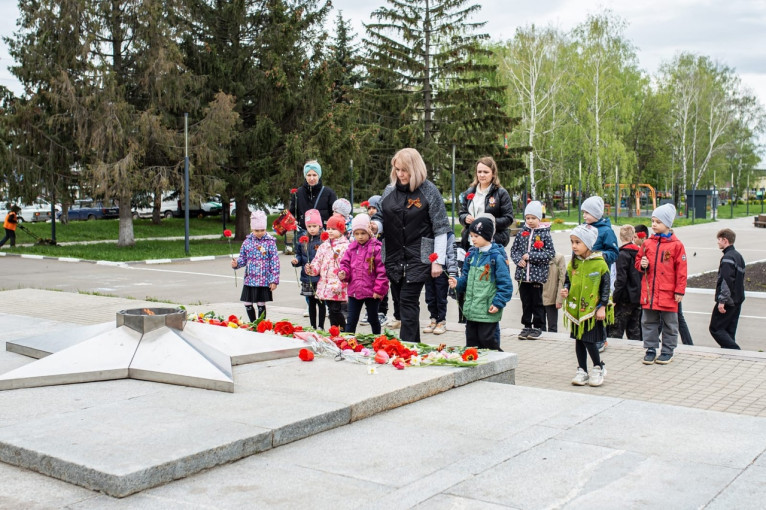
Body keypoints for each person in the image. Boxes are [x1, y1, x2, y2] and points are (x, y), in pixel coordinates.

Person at [372, 148, 452, 344]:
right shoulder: (389, 191)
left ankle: (405, 348)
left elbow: (441, 228)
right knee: (401, 303)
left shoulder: (429, 191)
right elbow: (381, 216)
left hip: (419, 256)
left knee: (408, 301)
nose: (400, 174)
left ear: (415, 169)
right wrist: (375, 225)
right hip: (393, 255)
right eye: (397, 169)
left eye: (405, 170)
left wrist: (438, 261)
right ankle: (412, 347)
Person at [448, 217, 512, 350]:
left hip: (487, 311)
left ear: (487, 236)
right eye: (471, 236)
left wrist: (498, 303)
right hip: (471, 311)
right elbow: (466, 278)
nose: (473, 239)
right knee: (471, 345)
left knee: (488, 343)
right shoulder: (471, 255)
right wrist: (457, 283)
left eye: (476, 236)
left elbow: (505, 285)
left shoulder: (496, 257)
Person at [561, 224, 613, 387]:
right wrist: (566, 290)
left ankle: (598, 367)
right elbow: (568, 279)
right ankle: (582, 370)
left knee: (589, 340)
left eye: (578, 242)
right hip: (576, 310)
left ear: (588, 244)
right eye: (572, 242)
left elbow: (605, 286)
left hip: (592, 311)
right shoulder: (574, 263)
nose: (574, 246)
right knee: (578, 340)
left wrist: (603, 306)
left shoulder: (599, 263)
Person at [636, 203, 687, 365]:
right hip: (650, 292)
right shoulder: (647, 244)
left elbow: (681, 270)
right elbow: (638, 261)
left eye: (658, 222)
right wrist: (642, 264)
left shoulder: (676, 246)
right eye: (652, 221)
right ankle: (650, 349)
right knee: (648, 322)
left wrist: (680, 291)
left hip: (668, 293)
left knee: (670, 323)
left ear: (667, 224)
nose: (654, 225)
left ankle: (667, 350)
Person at [509, 200, 555, 339]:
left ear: (539, 218)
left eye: (533, 218)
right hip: (523, 276)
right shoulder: (522, 233)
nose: (530, 221)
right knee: (526, 302)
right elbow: (514, 250)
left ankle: (539, 327)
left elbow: (549, 254)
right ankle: (527, 326)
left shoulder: (545, 234)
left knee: (537, 303)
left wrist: (531, 256)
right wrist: (519, 260)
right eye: (527, 218)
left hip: (537, 277)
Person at [338, 214, 388, 334]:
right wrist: (344, 273)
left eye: (363, 233)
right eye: (357, 234)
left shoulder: (376, 248)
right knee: (351, 319)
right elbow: (345, 264)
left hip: (371, 292)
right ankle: (348, 343)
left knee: (373, 318)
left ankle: (377, 339)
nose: (360, 237)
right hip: (354, 291)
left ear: (369, 232)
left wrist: (378, 290)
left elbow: (382, 272)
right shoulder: (351, 248)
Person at [581, 196, 619, 352]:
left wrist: (601, 255)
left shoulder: (607, 231)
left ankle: (601, 339)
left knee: (599, 307)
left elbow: (614, 253)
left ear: (596, 213)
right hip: (584, 276)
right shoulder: (583, 228)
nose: (584, 216)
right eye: (583, 213)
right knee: (585, 305)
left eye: (587, 213)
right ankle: (586, 335)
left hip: (600, 276)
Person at [231, 211, 280, 321]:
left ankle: (261, 324)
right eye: (256, 230)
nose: (259, 233)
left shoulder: (270, 242)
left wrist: (274, 280)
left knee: (260, 303)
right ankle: (253, 323)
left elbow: (275, 262)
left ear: (265, 229)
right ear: (252, 229)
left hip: (264, 279)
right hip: (250, 279)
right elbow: (243, 259)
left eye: (262, 230)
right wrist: (236, 263)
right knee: (247, 303)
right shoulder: (247, 242)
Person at [458, 156, 514, 249]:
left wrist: (488, 223)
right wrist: (465, 218)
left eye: (486, 172)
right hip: (471, 242)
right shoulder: (470, 192)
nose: (482, 175)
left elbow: (508, 218)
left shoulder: (501, 193)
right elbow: (461, 213)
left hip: (492, 241)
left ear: (493, 174)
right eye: (479, 172)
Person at [305, 215, 350, 330]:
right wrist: (312, 269)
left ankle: (344, 330)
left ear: (341, 230)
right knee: (331, 310)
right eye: (328, 228)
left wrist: (343, 280)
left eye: (333, 229)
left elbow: (347, 266)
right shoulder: (324, 246)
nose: (330, 231)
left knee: (335, 310)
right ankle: (334, 331)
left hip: (338, 284)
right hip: (325, 284)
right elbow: (317, 262)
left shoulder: (346, 247)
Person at [709, 228, 745, 350]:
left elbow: (726, 281)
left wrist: (722, 301)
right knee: (729, 331)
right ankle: (730, 355)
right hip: (737, 300)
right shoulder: (738, 256)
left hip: (728, 301)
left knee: (716, 328)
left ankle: (736, 350)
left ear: (725, 240)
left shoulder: (727, 258)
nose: (718, 242)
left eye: (719, 240)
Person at [290, 209, 326, 330]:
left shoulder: (323, 240)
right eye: (309, 226)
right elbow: (300, 254)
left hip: (320, 277)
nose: (312, 229)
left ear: (320, 225)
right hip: (307, 277)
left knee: (321, 303)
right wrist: (296, 261)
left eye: (314, 226)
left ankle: (321, 326)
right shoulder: (303, 239)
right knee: (311, 303)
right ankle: (313, 326)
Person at [608, 224, 642, 340]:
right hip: (638, 296)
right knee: (634, 328)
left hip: (624, 298)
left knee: (617, 328)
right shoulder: (639, 253)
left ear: (620, 237)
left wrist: (615, 298)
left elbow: (621, 279)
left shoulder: (621, 255)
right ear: (633, 236)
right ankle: (636, 349)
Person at [289, 159, 338, 236]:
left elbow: (335, 215)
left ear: (319, 175)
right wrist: (293, 221)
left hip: (323, 235)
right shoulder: (298, 193)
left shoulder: (329, 193)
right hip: (303, 235)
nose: (312, 178)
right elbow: (291, 213)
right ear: (305, 176)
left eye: (314, 175)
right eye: (309, 175)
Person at [363, 195, 391, 327]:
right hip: (370, 261)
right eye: (369, 208)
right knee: (369, 284)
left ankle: (382, 312)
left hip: (383, 259)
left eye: (375, 208)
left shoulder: (384, 224)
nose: (372, 211)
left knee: (382, 285)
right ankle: (370, 311)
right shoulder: (367, 225)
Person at [542, 252, 566, 332]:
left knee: (552, 327)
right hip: (538, 297)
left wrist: (559, 299)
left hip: (551, 297)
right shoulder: (533, 256)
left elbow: (562, 279)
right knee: (539, 327)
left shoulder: (559, 257)